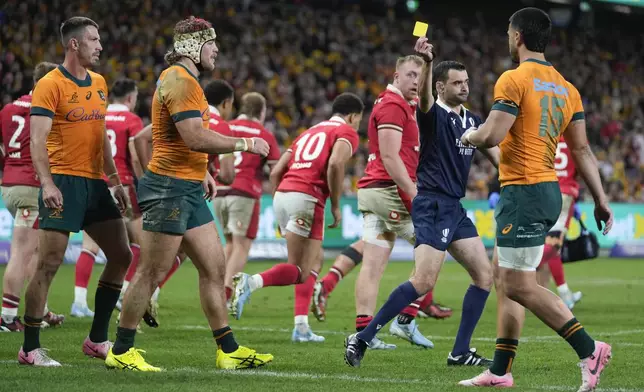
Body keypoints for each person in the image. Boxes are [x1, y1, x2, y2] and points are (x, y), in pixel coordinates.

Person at [457, 8, 613, 390]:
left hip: (524, 190)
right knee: (503, 278)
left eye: (509, 33)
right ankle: (500, 369)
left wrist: (469, 135)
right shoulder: (566, 88)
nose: (508, 39)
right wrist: (601, 199)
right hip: (547, 190)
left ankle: (589, 349)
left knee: (519, 285)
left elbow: (492, 135)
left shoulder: (514, 79)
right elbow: (582, 151)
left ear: (518, 36)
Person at [106, 16, 272, 371]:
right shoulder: (181, 82)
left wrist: (200, 174)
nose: (216, 51)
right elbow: (193, 137)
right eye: (211, 44)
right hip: (169, 188)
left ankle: (227, 350)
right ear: (192, 47)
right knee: (152, 271)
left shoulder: (184, 80)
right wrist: (245, 143)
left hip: (186, 186)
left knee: (214, 267)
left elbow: (167, 138)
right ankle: (121, 351)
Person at [344, 45, 497, 368]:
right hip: (432, 204)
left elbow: (498, 158)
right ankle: (363, 337)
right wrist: (427, 63)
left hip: (454, 208)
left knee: (484, 275)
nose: (465, 87)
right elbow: (424, 98)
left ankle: (459, 351)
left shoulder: (473, 120)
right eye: (457, 83)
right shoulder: (431, 114)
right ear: (440, 86)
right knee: (424, 281)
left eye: (466, 81)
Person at [20, 16, 133, 367]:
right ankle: (30, 348)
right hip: (63, 181)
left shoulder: (99, 83)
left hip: (94, 183)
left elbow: (100, 138)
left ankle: (96, 339)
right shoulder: (50, 84)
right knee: (49, 264)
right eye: (94, 40)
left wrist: (115, 182)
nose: (100, 46)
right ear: (74, 44)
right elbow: (37, 140)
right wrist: (47, 183)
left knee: (122, 255)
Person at [229, 92, 364, 343]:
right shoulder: (346, 132)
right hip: (307, 198)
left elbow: (277, 170)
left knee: (314, 260)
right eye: (358, 120)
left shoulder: (308, 132)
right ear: (353, 116)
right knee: (300, 270)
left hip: (282, 195)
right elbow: (335, 165)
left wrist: (285, 193)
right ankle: (251, 283)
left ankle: (301, 326)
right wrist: (335, 205)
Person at [348, 49, 430, 350]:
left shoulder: (401, 104)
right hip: (388, 190)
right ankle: (405, 319)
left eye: (420, 78)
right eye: (410, 75)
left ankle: (362, 333)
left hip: (375, 190)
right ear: (396, 76)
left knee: (372, 265)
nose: (416, 82)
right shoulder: (394, 105)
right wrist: (414, 193)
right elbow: (389, 156)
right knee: (434, 248)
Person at [71, 78, 144, 319]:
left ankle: (79, 302)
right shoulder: (132, 120)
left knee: (89, 246)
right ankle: (123, 292)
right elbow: (134, 157)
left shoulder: (97, 114)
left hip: (94, 182)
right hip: (121, 183)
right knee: (141, 243)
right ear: (130, 98)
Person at [0, 61, 65, 332]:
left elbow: (3, 146)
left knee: (36, 251)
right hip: (31, 187)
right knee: (22, 253)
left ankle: (43, 309)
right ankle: (7, 317)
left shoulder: (7, 109)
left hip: (9, 185)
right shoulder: (46, 109)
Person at [215, 92, 281, 302]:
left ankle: (216, 290)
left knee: (230, 244)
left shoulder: (226, 126)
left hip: (219, 189)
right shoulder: (264, 134)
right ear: (261, 112)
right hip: (244, 191)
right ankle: (225, 293)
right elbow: (275, 171)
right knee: (242, 245)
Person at [312, 240, 453, 321]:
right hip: (396, 195)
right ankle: (418, 306)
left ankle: (327, 284)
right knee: (434, 243)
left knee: (369, 242)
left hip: (373, 192)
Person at [536, 135, 583, 309]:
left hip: (543, 192)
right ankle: (525, 266)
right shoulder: (574, 138)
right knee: (554, 245)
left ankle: (564, 294)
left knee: (553, 245)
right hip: (564, 192)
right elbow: (582, 161)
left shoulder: (547, 134)